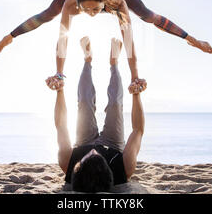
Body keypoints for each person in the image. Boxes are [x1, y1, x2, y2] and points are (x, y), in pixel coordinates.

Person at [0, 0, 212, 90]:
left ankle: (192, 39)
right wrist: (59, 74)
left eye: (95, 10)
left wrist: (135, 76)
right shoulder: (71, 3)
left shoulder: (117, 1)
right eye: (85, 10)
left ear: (105, 4)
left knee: (147, 15)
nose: (90, 14)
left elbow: (129, 43)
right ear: (77, 2)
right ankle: (8, 38)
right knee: (48, 13)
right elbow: (62, 42)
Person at [48, 37, 145, 193]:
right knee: (115, 104)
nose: (94, 150)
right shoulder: (124, 168)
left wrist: (59, 90)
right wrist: (136, 94)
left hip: (83, 141)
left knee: (85, 102)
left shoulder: (67, 163)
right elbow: (138, 130)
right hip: (112, 144)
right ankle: (114, 64)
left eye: (88, 155)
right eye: (97, 155)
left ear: (77, 166)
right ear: (108, 169)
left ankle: (87, 60)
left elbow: (61, 125)